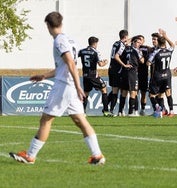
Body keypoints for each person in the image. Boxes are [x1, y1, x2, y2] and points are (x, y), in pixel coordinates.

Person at [9, 12, 105, 164]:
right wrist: (44, 76)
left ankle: (30, 156)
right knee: (80, 120)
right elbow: (64, 66)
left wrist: (78, 86)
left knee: (46, 120)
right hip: (70, 85)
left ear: (48, 25)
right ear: (61, 23)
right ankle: (97, 155)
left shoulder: (59, 41)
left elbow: (70, 64)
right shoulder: (69, 39)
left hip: (64, 86)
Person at [78, 36, 113, 117]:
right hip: (93, 75)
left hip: (85, 75)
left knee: (86, 93)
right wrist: (106, 62)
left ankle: (82, 112)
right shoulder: (95, 52)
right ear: (95, 43)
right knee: (104, 89)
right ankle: (106, 111)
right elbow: (100, 64)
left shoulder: (82, 51)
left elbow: (74, 57)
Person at [147, 29, 175, 118]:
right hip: (167, 74)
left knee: (152, 95)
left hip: (157, 75)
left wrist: (153, 62)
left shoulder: (156, 52)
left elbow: (148, 63)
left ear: (158, 42)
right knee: (167, 93)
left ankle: (158, 108)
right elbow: (173, 45)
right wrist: (166, 36)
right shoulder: (169, 50)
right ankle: (171, 111)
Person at [118, 36, 144, 116]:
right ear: (133, 42)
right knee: (133, 92)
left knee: (124, 92)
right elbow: (142, 61)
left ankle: (120, 111)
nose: (139, 44)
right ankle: (130, 112)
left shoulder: (125, 49)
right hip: (132, 73)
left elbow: (117, 56)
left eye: (140, 43)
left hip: (125, 72)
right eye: (138, 42)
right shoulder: (137, 50)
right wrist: (141, 57)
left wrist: (124, 64)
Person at [108, 30, 131, 115]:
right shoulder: (121, 45)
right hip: (117, 70)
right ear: (125, 37)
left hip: (111, 68)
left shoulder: (115, 43)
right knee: (116, 91)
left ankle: (108, 108)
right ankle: (112, 110)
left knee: (115, 90)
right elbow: (116, 57)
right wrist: (124, 65)